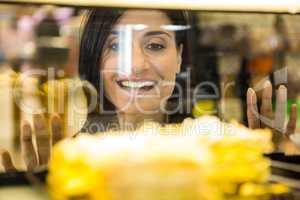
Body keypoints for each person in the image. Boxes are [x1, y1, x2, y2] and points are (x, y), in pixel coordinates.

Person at [0, 8, 298, 172]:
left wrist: (269, 167)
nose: (137, 65)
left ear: (180, 55)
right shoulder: (72, 160)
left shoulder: (214, 150)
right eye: (114, 46)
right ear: (94, 57)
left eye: (155, 45)